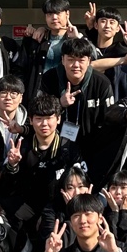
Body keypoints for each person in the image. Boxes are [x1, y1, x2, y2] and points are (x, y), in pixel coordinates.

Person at [0, 93, 80, 252]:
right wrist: (12, 165)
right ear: (31, 121)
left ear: (58, 119)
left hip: (57, 203)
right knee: (3, 210)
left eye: (49, 118)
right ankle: (22, 245)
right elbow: (6, 183)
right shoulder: (22, 145)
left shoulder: (68, 146)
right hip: (29, 201)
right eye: (39, 119)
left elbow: (80, 177)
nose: (44, 124)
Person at [39, 37, 116, 165]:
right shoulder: (50, 78)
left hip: (92, 146)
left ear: (89, 61)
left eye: (81, 60)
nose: (76, 65)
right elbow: (39, 112)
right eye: (70, 59)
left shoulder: (102, 83)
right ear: (63, 60)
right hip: (55, 145)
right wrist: (59, 104)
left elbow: (109, 119)